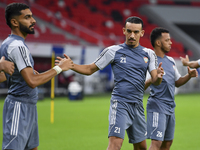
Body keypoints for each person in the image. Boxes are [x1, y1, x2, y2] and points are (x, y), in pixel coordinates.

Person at [57, 16, 164, 150]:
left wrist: (159, 76)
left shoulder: (149, 54)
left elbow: (155, 80)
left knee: (141, 147)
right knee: (115, 145)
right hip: (120, 103)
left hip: (138, 105)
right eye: (129, 31)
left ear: (142, 33)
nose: (132, 35)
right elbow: (90, 69)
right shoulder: (112, 51)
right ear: (124, 31)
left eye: (136, 32)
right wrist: (72, 65)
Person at [0, 3, 74, 150]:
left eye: (32, 16)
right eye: (27, 17)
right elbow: (32, 82)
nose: (33, 20)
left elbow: (3, 77)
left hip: (28, 106)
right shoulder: (17, 46)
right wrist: (59, 68)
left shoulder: (9, 43)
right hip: (19, 107)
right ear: (14, 22)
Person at [145, 27, 198, 150]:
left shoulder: (170, 61)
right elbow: (141, 86)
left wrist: (189, 76)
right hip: (157, 106)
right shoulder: (149, 62)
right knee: (156, 143)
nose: (171, 42)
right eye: (167, 40)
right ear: (158, 43)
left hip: (170, 107)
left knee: (167, 144)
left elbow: (177, 82)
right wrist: (153, 79)